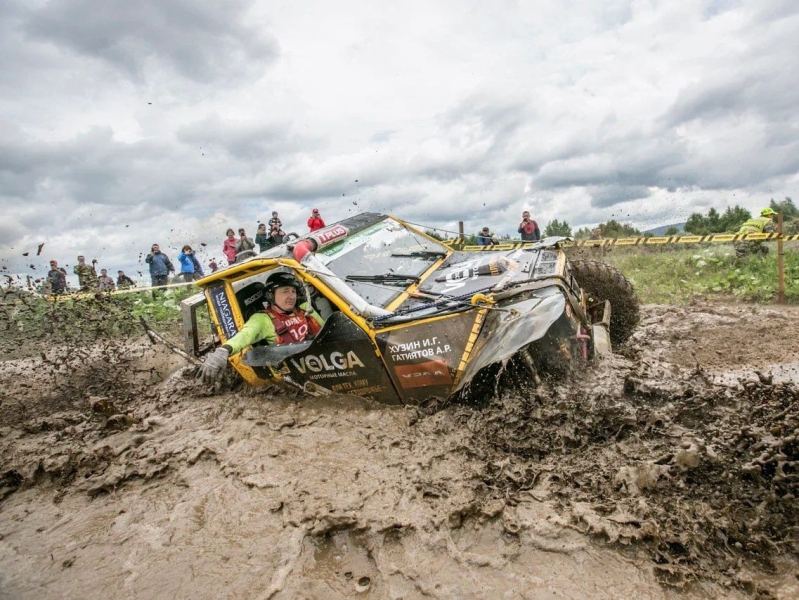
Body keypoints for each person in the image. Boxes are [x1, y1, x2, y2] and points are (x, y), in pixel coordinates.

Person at [199, 272, 325, 383]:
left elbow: (326, 329)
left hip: (323, 358)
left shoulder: (305, 308)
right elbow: (245, 335)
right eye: (285, 291)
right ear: (271, 296)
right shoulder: (263, 319)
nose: (291, 296)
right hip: (301, 372)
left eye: (293, 291)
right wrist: (223, 350)